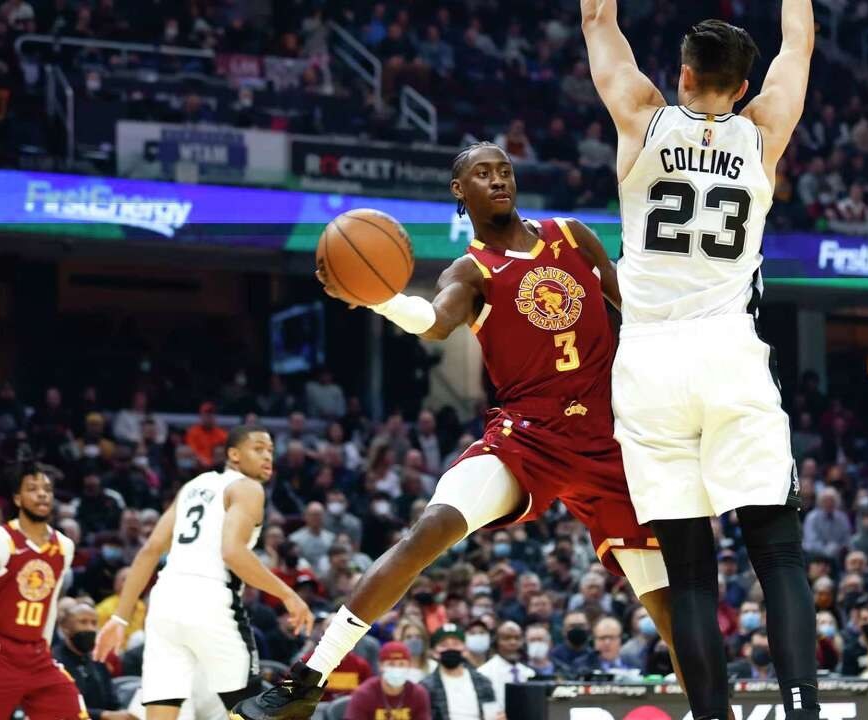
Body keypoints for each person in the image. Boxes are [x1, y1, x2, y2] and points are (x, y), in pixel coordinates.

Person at [234, 143, 680, 719]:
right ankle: (309, 676)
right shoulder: (470, 271)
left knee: (671, 607)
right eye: (482, 174)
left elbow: (635, 312)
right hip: (530, 437)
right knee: (430, 530)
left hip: (607, 441)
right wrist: (382, 299)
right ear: (459, 191)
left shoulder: (572, 235)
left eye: (504, 171)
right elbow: (435, 322)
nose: (497, 180)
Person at [580, 0, 817, 717]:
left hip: (648, 362)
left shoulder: (641, 116)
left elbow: (597, 21)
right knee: (778, 554)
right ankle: (802, 711)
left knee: (688, 575)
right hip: (728, 352)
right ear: (743, 87)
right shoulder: (761, 132)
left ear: (681, 75)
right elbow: (798, 43)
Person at [92, 425, 315, 720]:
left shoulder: (194, 485)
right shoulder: (247, 487)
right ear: (234, 455)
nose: (267, 457)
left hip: (164, 602)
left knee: (162, 711)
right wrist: (288, 595)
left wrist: (120, 617)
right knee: (252, 711)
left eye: (271, 451)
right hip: (211, 600)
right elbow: (232, 552)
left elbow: (150, 550)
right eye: (258, 449)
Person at [0, 462, 84, 720]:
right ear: (17, 498)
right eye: (32, 489)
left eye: (47, 489)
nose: (42, 494)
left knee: (70, 709)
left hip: (37, 655)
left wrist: (45, 648)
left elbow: (49, 607)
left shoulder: (64, 546)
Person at [55, 602, 135, 720]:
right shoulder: (55, 661)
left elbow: (112, 701)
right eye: (83, 622)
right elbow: (60, 706)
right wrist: (103, 715)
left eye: (94, 623)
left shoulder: (98, 658)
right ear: (65, 627)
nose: (90, 628)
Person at [420, 624, 500, 720]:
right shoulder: (426, 687)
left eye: (456, 644)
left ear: (465, 649)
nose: (450, 649)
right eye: (444, 645)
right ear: (435, 652)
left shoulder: (483, 682)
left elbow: (492, 714)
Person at [344, 641, 431, 720]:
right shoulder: (363, 694)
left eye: (401, 664)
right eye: (391, 664)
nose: (397, 669)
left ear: (409, 666)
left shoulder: (418, 694)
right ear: (380, 666)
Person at [476, 621, 534, 705]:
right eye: (507, 638)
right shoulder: (483, 673)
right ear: (496, 642)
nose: (513, 642)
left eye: (517, 638)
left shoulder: (529, 673)